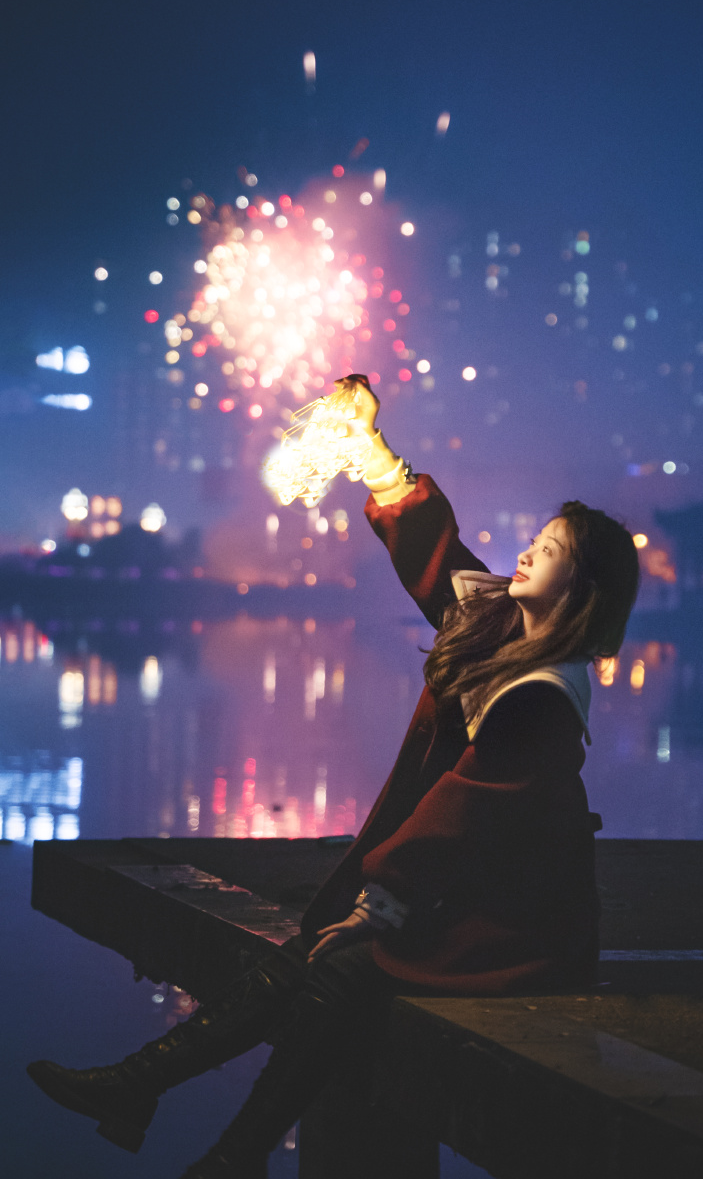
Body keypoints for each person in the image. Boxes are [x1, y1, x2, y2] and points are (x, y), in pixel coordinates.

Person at [27, 374, 640, 1176]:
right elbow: (436, 555)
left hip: (510, 925)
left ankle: (226, 1148)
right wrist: (372, 448)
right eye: (538, 538)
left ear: (579, 589)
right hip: (463, 897)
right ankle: (150, 1095)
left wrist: (379, 904)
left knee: (338, 966)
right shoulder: (498, 628)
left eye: (550, 550)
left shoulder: (545, 695)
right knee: (309, 954)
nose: (527, 550)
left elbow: (463, 813)